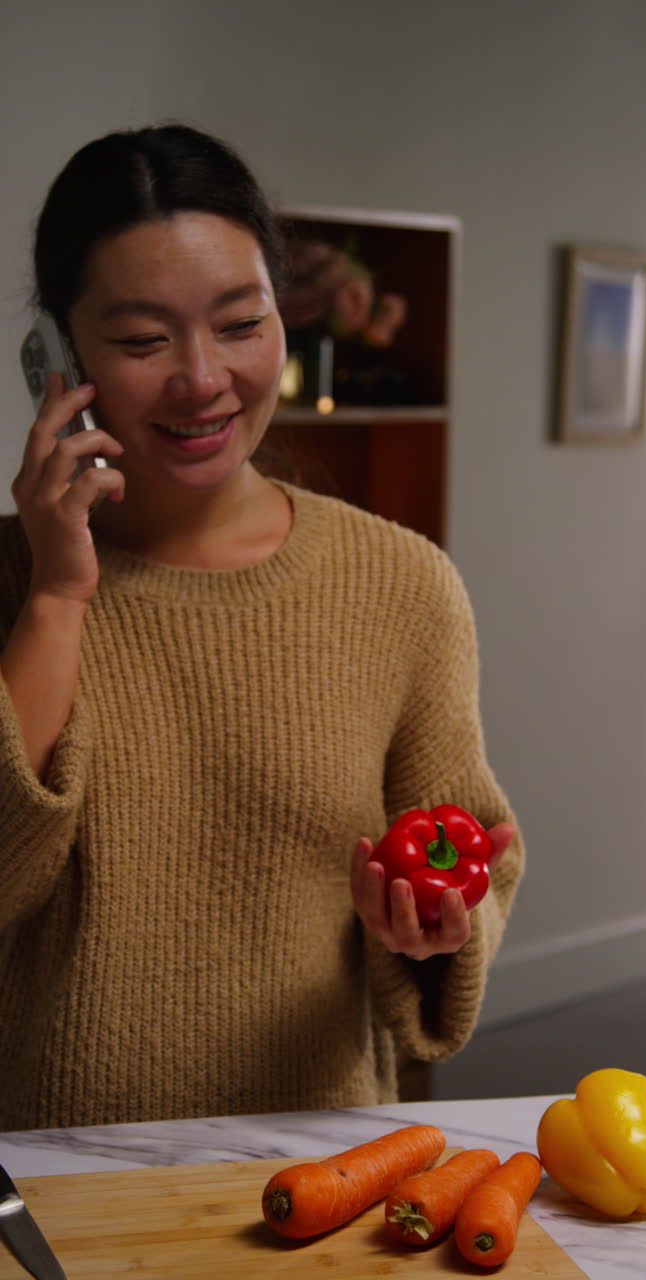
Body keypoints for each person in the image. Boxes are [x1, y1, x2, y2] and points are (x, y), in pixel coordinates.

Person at [0, 124, 524, 1130]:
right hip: (49, 1177)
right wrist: (59, 596)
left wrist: (435, 932)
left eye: (241, 323)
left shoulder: (402, 584)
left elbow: (476, 861)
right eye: (145, 340)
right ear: (58, 358)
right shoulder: (10, 584)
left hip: (320, 1167)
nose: (203, 378)